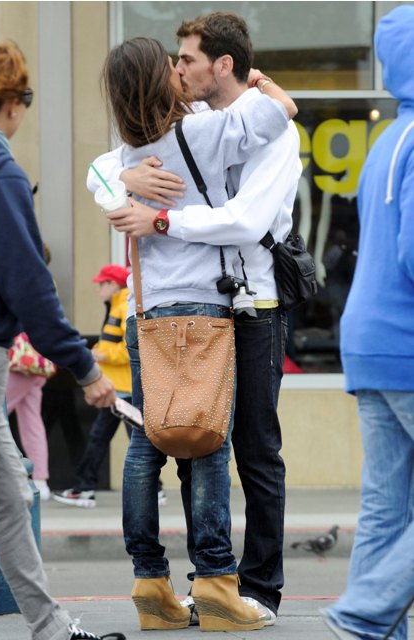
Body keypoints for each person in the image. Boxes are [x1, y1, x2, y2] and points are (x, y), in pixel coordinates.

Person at [88, 11, 302, 626]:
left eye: (188, 58)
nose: (181, 68)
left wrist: (128, 187)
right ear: (162, 80)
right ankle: (213, 579)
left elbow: (97, 173)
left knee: (151, 442)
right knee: (208, 446)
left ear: (219, 64)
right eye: (173, 63)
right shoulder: (205, 132)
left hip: (149, 310)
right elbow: (279, 111)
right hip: (205, 311)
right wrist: (269, 87)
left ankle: (150, 579)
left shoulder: (136, 149)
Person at [0, 39, 125, 640]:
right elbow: (28, 284)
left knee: (8, 497)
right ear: (13, 101)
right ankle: (50, 626)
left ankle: (49, 625)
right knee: (6, 498)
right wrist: (86, 369)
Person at [321, 5, 414, 640]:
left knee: (384, 505)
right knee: (385, 505)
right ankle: (364, 614)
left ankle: (368, 630)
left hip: (370, 342)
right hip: (408, 343)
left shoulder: (389, 137)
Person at [54, 264, 132, 508]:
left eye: (102, 284)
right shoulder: (116, 306)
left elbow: (131, 347)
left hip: (122, 388)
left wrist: (103, 356)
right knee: (117, 440)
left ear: (113, 285)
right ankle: (84, 487)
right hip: (118, 387)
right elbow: (115, 343)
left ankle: (84, 488)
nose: (99, 289)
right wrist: (101, 351)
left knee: (110, 439)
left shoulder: (122, 306)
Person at [6, 243, 56, 501]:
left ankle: (32, 479)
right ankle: (40, 480)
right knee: (31, 422)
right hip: (38, 361)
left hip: (18, 359)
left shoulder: (22, 279)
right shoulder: (45, 283)